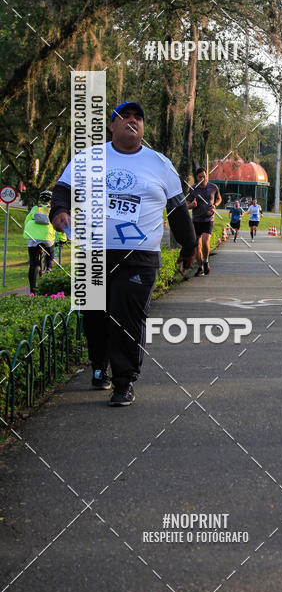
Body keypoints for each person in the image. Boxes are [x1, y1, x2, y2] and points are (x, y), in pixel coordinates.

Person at [50, 102, 196, 406]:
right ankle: (99, 365)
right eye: (124, 117)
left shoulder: (159, 163)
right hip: (93, 251)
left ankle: (124, 381)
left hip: (139, 254)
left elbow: (178, 209)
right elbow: (63, 188)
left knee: (127, 318)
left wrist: (189, 246)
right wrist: (59, 210)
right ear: (112, 126)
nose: (132, 122)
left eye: (138, 118)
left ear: (143, 128)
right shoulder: (89, 157)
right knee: (94, 316)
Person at [23, 191, 65, 293]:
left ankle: (32, 290)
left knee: (33, 263)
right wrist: (62, 240)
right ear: (51, 200)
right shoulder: (53, 210)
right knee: (49, 257)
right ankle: (48, 272)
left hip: (32, 237)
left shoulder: (34, 208)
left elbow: (26, 221)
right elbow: (60, 226)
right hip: (47, 236)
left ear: (41, 199)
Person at [187, 167, 222, 275]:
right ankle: (200, 266)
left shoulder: (213, 187)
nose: (203, 178)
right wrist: (191, 205)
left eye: (204, 176)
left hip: (208, 218)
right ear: (196, 178)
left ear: (207, 176)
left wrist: (215, 205)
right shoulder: (193, 189)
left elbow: (219, 199)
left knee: (205, 241)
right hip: (196, 219)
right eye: (200, 177)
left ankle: (206, 261)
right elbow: (187, 205)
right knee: (197, 244)